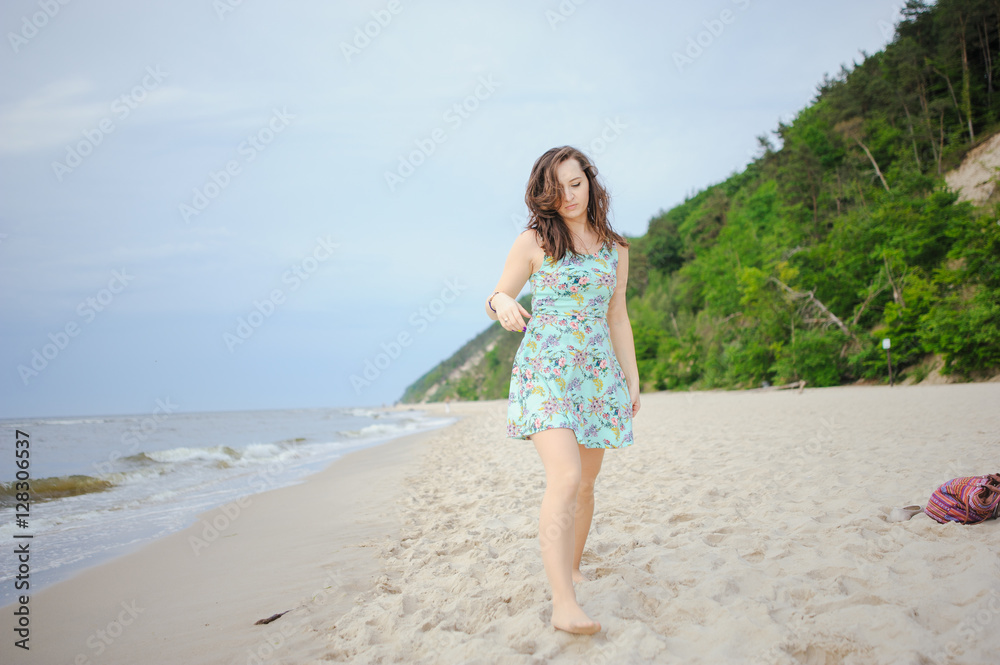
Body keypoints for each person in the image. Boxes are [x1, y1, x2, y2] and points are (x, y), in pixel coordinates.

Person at [485, 146, 641, 635]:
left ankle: (571, 567)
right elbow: (496, 294)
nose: (569, 195)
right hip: (544, 371)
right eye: (558, 187)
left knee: (588, 485)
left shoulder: (616, 248)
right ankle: (563, 602)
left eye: (577, 183)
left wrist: (631, 378)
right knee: (567, 477)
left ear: (590, 183)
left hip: (595, 377)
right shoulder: (534, 240)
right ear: (543, 192)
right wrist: (503, 304)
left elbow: (617, 316)